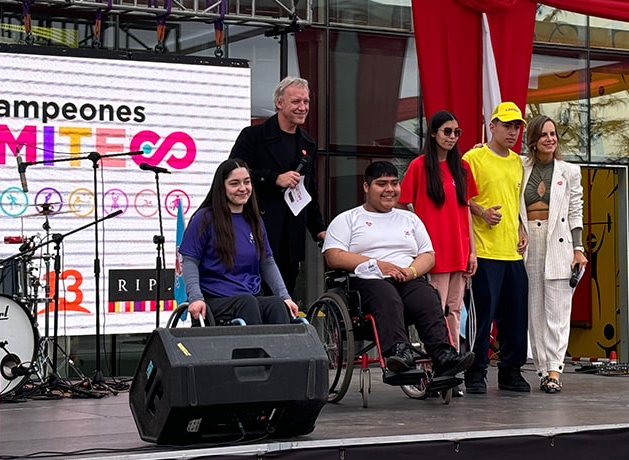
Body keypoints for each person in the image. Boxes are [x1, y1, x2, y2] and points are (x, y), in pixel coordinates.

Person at [322, 161, 474, 389]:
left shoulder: (409, 219)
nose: (389, 189)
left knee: (427, 296)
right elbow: (333, 255)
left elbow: (428, 255)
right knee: (386, 294)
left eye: (394, 183)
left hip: (406, 276)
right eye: (381, 184)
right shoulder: (348, 219)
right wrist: (377, 265)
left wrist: (411, 271)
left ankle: (443, 356)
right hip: (365, 280)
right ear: (366, 187)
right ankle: (399, 355)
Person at [229, 76, 326, 295]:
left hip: (291, 235)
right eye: (296, 102)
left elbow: (308, 190)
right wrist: (274, 178)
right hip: (256, 229)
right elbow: (232, 176)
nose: (302, 107)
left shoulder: (308, 143)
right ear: (279, 103)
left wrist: (318, 228)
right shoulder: (253, 136)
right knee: (254, 295)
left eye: (306, 102)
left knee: (284, 296)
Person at [462, 101, 531, 394]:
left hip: (511, 251)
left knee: (516, 314)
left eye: (517, 126)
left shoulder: (518, 162)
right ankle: (475, 372)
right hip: (484, 250)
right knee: (482, 316)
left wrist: (519, 226)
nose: (512, 132)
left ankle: (510, 371)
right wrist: (482, 212)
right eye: (506, 125)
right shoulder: (473, 157)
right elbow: (462, 199)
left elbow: (514, 201)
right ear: (492, 127)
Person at [179, 158, 297, 326]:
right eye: (234, 183)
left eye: (247, 182)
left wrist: (285, 297)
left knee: (277, 305)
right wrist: (195, 298)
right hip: (216, 300)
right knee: (247, 302)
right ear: (222, 187)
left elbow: (267, 262)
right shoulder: (205, 218)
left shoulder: (254, 220)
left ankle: (281, 353)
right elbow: (190, 261)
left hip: (250, 297)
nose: (243, 188)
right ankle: (253, 353)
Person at [398, 110, 478, 352]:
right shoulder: (419, 166)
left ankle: (452, 363)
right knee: (436, 309)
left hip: (459, 250)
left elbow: (466, 211)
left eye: (457, 132)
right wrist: (415, 238)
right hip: (434, 252)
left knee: (454, 309)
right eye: (447, 131)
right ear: (433, 133)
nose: (452, 137)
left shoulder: (461, 167)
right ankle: (436, 362)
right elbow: (402, 204)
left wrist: (472, 252)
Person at [521, 115, 587, 394]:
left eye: (553, 134)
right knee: (534, 310)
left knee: (558, 311)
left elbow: (575, 210)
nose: (550, 139)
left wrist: (578, 248)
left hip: (558, 241)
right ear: (534, 140)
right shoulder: (520, 167)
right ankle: (540, 368)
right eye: (544, 135)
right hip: (529, 241)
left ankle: (554, 371)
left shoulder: (569, 171)